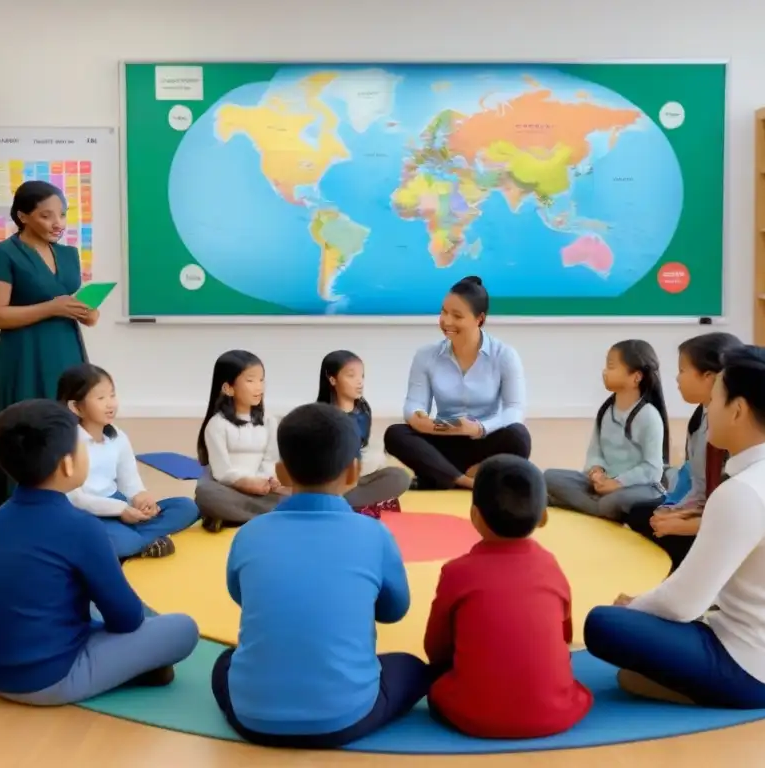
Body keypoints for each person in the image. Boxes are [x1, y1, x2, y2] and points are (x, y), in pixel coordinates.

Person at [583, 345, 765, 709]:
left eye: (715, 399)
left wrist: (634, 607)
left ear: (738, 410)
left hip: (753, 672)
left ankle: (695, 686)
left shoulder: (743, 493)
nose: (708, 409)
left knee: (602, 623)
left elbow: (684, 603)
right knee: (639, 630)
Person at [210, 403, 431, 748]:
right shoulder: (373, 534)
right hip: (345, 718)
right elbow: (394, 611)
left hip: (253, 718)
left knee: (224, 662)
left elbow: (241, 595)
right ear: (353, 472)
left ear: (282, 473)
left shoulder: (249, 534)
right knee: (413, 668)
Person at [0, 399, 199, 706]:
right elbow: (127, 619)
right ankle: (137, 668)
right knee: (183, 628)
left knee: (94, 606)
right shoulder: (81, 527)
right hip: (50, 678)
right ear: (67, 464)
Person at [424, 454, 593, 739]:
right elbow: (565, 638)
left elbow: (435, 649)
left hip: (474, 717)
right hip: (557, 714)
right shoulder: (551, 566)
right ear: (543, 517)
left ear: (475, 515)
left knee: (429, 682)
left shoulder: (457, 572)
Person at [0, 181, 99, 524]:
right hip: (24, 354)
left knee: (69, 420)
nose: (58, 223)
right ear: (23, 216)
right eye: (47, 216)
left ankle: (74, 500)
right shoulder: (2, 255)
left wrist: (86, 310)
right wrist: (53, 308)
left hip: (67, 347)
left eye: (62, 215)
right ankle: (19, 509)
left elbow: (80, 310)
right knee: (28, 425)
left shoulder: (69, 254)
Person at [383, 276, 530, 490]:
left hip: (484, 440)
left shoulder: (505, 355)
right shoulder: (426, 355)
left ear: (479, 319)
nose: (446, 321)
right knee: (395, 434)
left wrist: (479, 428)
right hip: (442, 437)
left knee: (519, 436)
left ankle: (440, 474)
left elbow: (515, 409)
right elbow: (414, 404)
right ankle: (466, 480)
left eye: (456, 316)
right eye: (443, 312)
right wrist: (420, 419)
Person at [626, 332, 742, 572]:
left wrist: (684, 525)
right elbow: (699, 487)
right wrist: (676, 512)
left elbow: (733, 516)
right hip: (704, 511)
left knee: (674, 535)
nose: (677, 379)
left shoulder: (731, 432)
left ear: (709, 378)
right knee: (641, 513)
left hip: (728, 528)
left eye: (682, 370)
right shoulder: (700, 417)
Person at [57, 363, 199, 559]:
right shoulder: (67, 443)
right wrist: (120, 509)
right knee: (120, 541)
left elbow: (129, 481)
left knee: (186, 507)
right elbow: (76, 499)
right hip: (89, 514)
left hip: (121, 507)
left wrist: (141, 498)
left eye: (112, 395)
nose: (110, 404)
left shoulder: (118, 437)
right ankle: (141, 541)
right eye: (101, 398)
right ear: (76, 407)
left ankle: (138, 541)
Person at [544, 340, 670, 522]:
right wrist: (596, 472)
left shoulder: (649, 416)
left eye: (611, 367)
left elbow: (652, 469)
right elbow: (595, 450)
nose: (605, 372)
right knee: (549, 476)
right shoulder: (606, 411)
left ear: (636, 377)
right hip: (603, 485)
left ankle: (582, 505)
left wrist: (618, 483)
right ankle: (593, 506)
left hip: (638, 486)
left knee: (613, 502)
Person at [194, 350, 287, 531]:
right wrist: (245, 483)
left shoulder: (269, 420)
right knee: (206, 493)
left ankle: (232, 517)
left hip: (263, 490)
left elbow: (271, 459)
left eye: (261, 380)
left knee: (298, 491)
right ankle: (271, 515)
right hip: (230, 488)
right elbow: (222, 471)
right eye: (250, 380)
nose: (258, 387)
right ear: (228, 388)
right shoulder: (217, 425)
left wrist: (266, 481)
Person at [316, 350, 411, 517]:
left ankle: (343, 505)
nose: (359, 382)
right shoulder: (323, 416)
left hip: (357, 479)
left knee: (399, 476)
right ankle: (339, 504)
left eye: (362, 376)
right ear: (332, 379)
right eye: (351, 376)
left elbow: (362, 450)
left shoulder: (363, 412)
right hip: (330, 482)